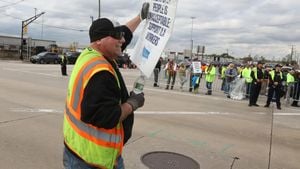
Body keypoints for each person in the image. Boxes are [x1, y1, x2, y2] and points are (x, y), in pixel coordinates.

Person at [62, 3, 149, 169]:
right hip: (92, 160)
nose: (122, 40)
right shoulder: (100, 72)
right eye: (117, 36)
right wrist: (133, 103)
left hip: (76, 148)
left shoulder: (89, 54)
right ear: (100, 40)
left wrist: (140, 17)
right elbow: (107, 117)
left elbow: (125, 34)